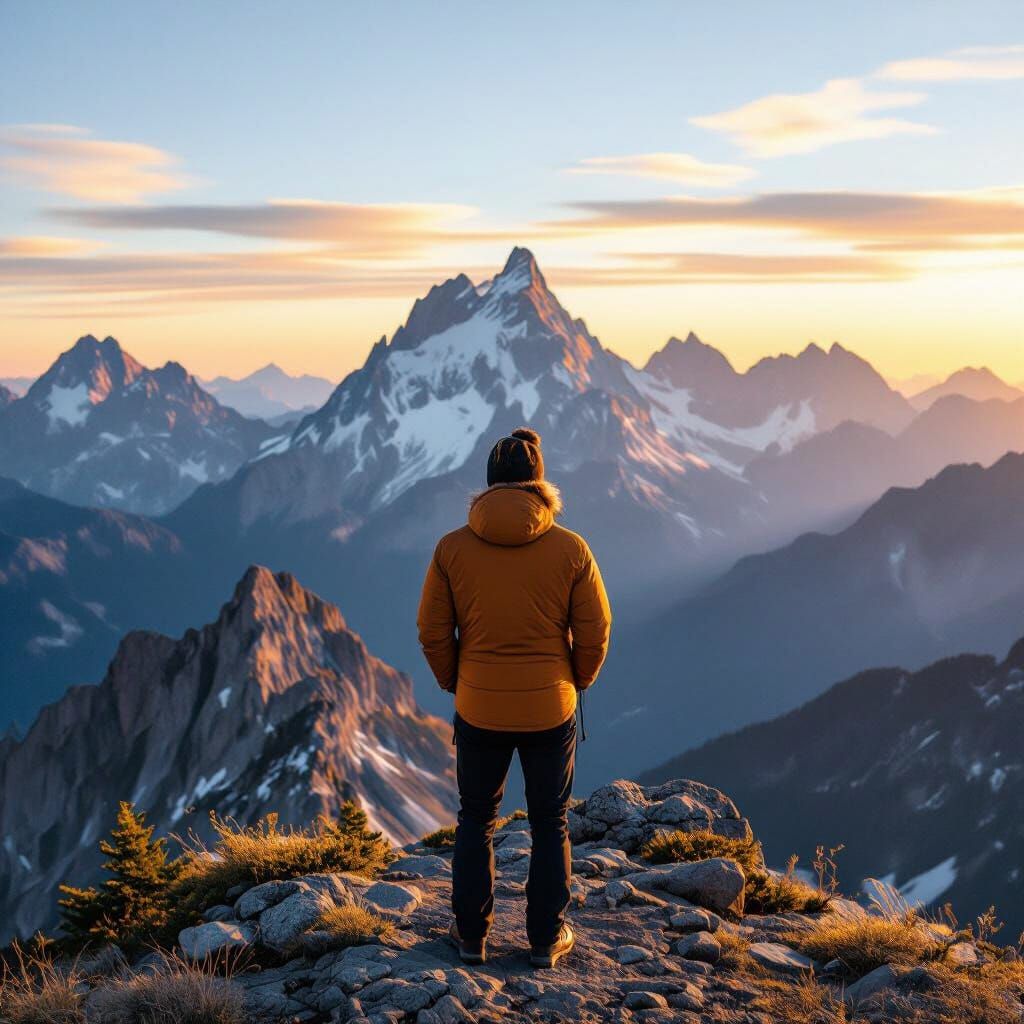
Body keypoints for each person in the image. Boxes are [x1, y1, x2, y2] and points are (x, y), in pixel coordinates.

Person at [417, 427, 611, 969]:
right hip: (551, 708)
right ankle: (546, 938)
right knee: (550, 820)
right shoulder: (572, 549)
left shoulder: (451, 548)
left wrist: (457, 682)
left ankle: (471, 936)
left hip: (478, 707)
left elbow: (432, 631)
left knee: (476, 818)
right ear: (539, 485)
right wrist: (577, 679)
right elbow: (596, 631)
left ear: (488, 486)